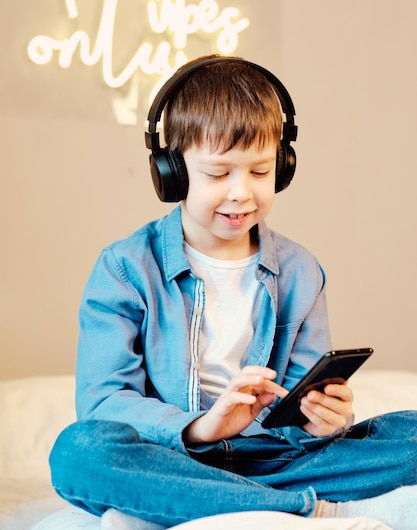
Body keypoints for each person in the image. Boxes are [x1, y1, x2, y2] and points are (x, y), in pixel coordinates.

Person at [50, 56, 417, 530]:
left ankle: (193, 503)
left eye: (261, 173)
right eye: (219, 174)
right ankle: (308, 511)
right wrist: (202, 427)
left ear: (283, 168)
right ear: (172, 170)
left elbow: (302, 404)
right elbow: (103, 404)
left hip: (273, 460)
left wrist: (322, 421)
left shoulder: (301, 271)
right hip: (171, 458)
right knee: (80, 453)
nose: (242, 193)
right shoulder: (124, 268)